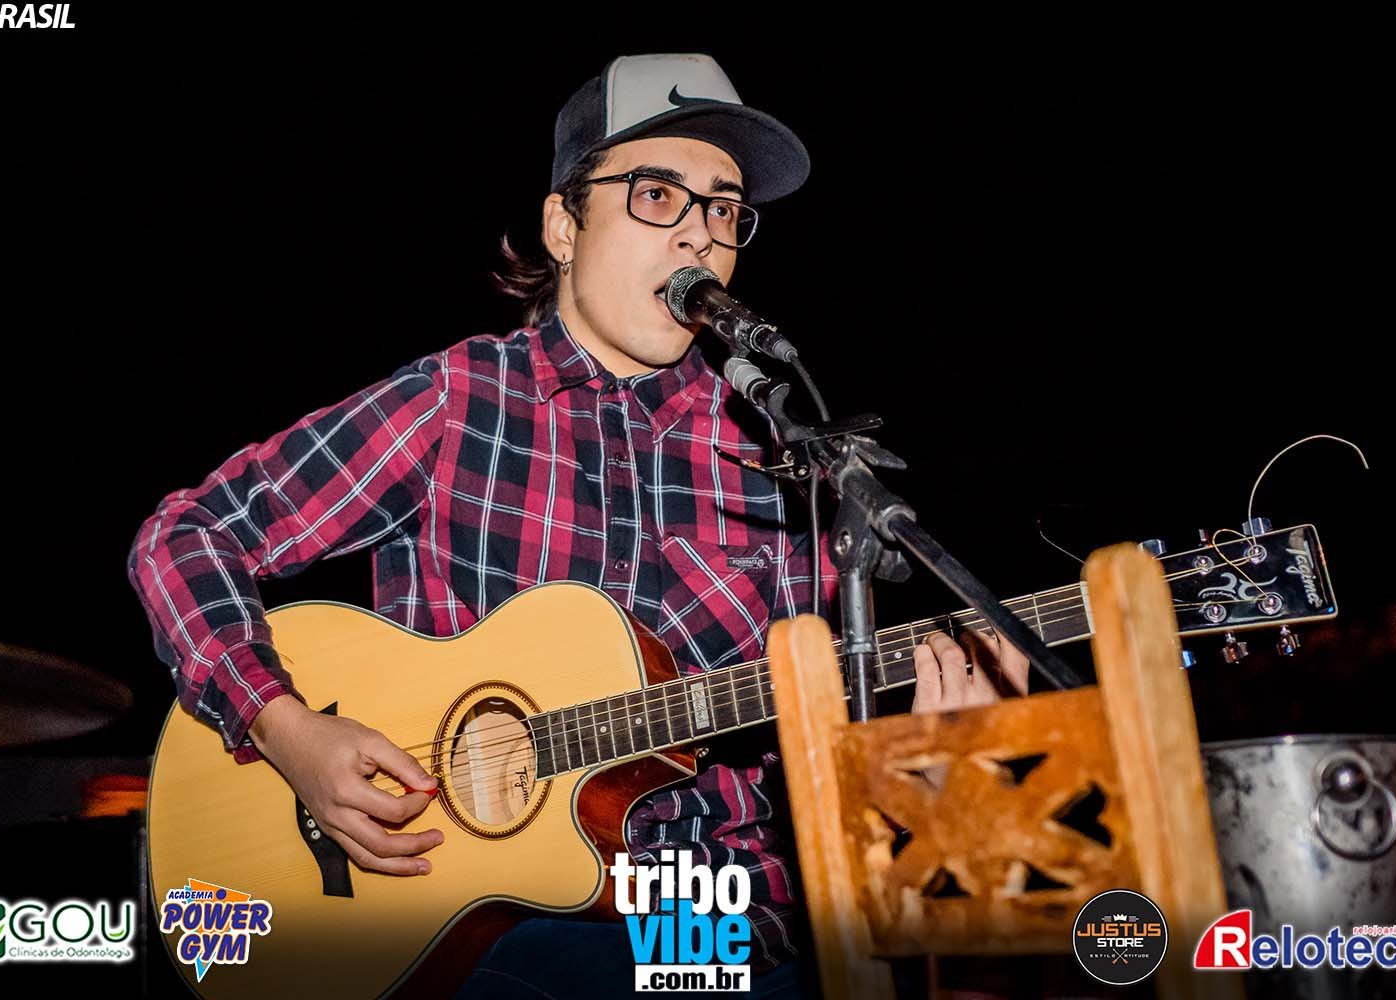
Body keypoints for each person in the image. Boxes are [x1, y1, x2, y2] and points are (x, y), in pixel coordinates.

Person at [127, 52, 1029, 1000]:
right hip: (474, 922)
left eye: (725, 210)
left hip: (717, 926)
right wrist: (285, 729)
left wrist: (921, 769)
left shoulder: (783, 464)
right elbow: (187, 536)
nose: (700, 235)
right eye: (657, 195)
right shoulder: (459, 400)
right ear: (565, 225)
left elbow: (812, 780)